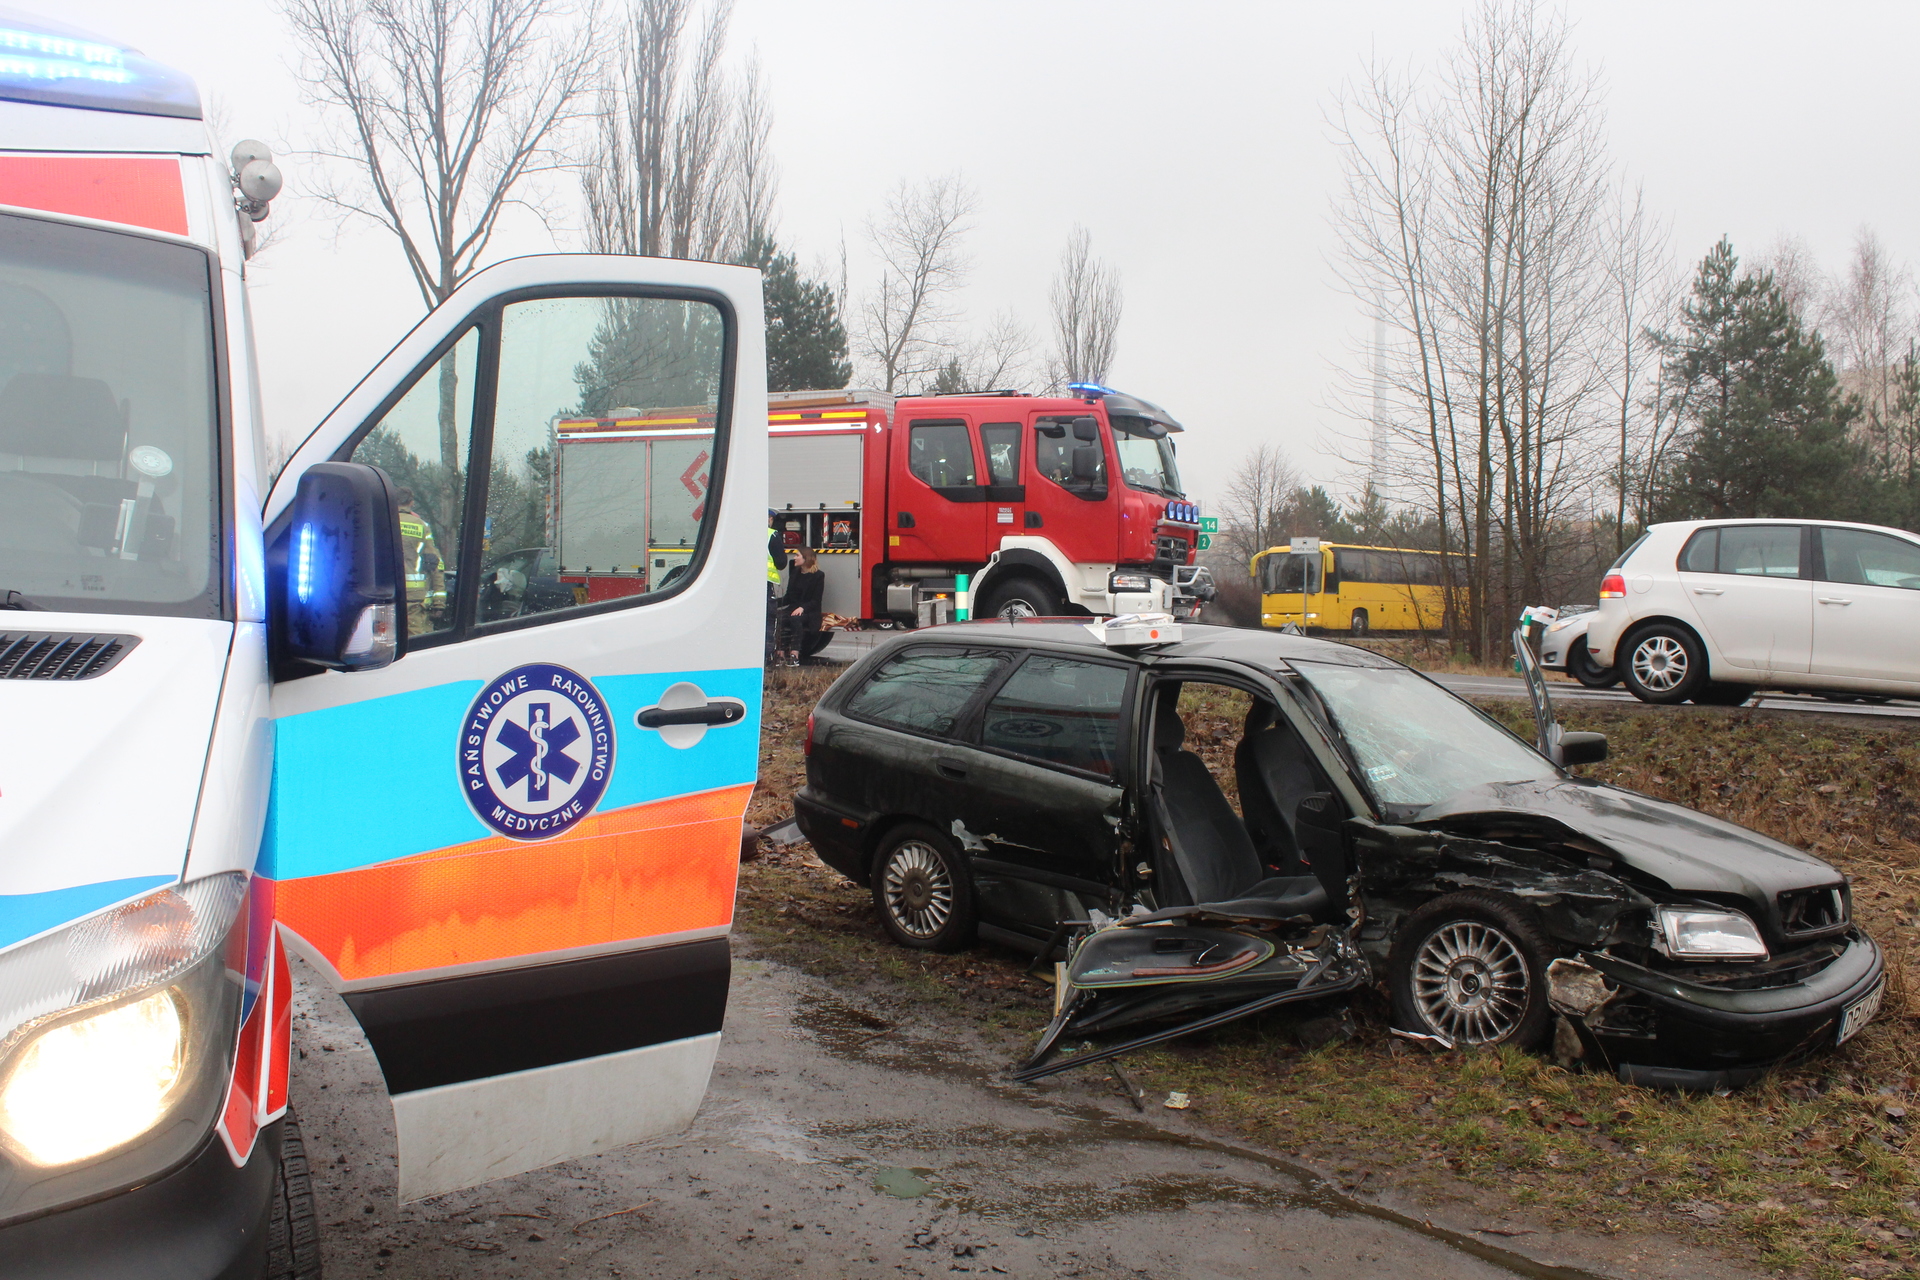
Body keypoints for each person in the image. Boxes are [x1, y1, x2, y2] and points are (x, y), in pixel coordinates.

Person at [396, 488, 444, 635]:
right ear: (411, 502)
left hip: (384, 596)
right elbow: (435, 563)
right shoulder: (421, 526)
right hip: (414, 598)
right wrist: (439, 603)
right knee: (415, 645)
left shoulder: (380, 522)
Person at [774, 546, 824, 666]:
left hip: (809, 611)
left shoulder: (818, 575)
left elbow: (816, 600)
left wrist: (802, 608)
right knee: (779, 617)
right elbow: (789, 596)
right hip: (793, 607)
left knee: (795, 619)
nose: (794, 558)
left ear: (806, 558)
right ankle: (780, 654)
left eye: (797, 555)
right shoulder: (795, 573)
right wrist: (774, 603)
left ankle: (794, 654)